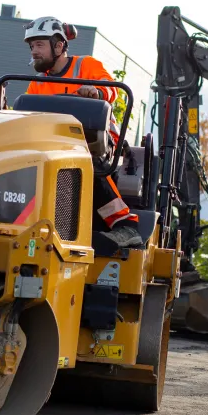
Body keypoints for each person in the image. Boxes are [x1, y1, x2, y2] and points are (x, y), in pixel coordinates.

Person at [21, 16, 142, 251]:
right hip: (55, 147)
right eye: (31, 46)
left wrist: (96, 92)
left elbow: (112, 90)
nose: (34, 51)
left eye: (39, 45)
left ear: (59, 46)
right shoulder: (36, 83)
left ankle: (125, 225)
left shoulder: (86, 65)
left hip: (99, 142)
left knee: (84, 161)